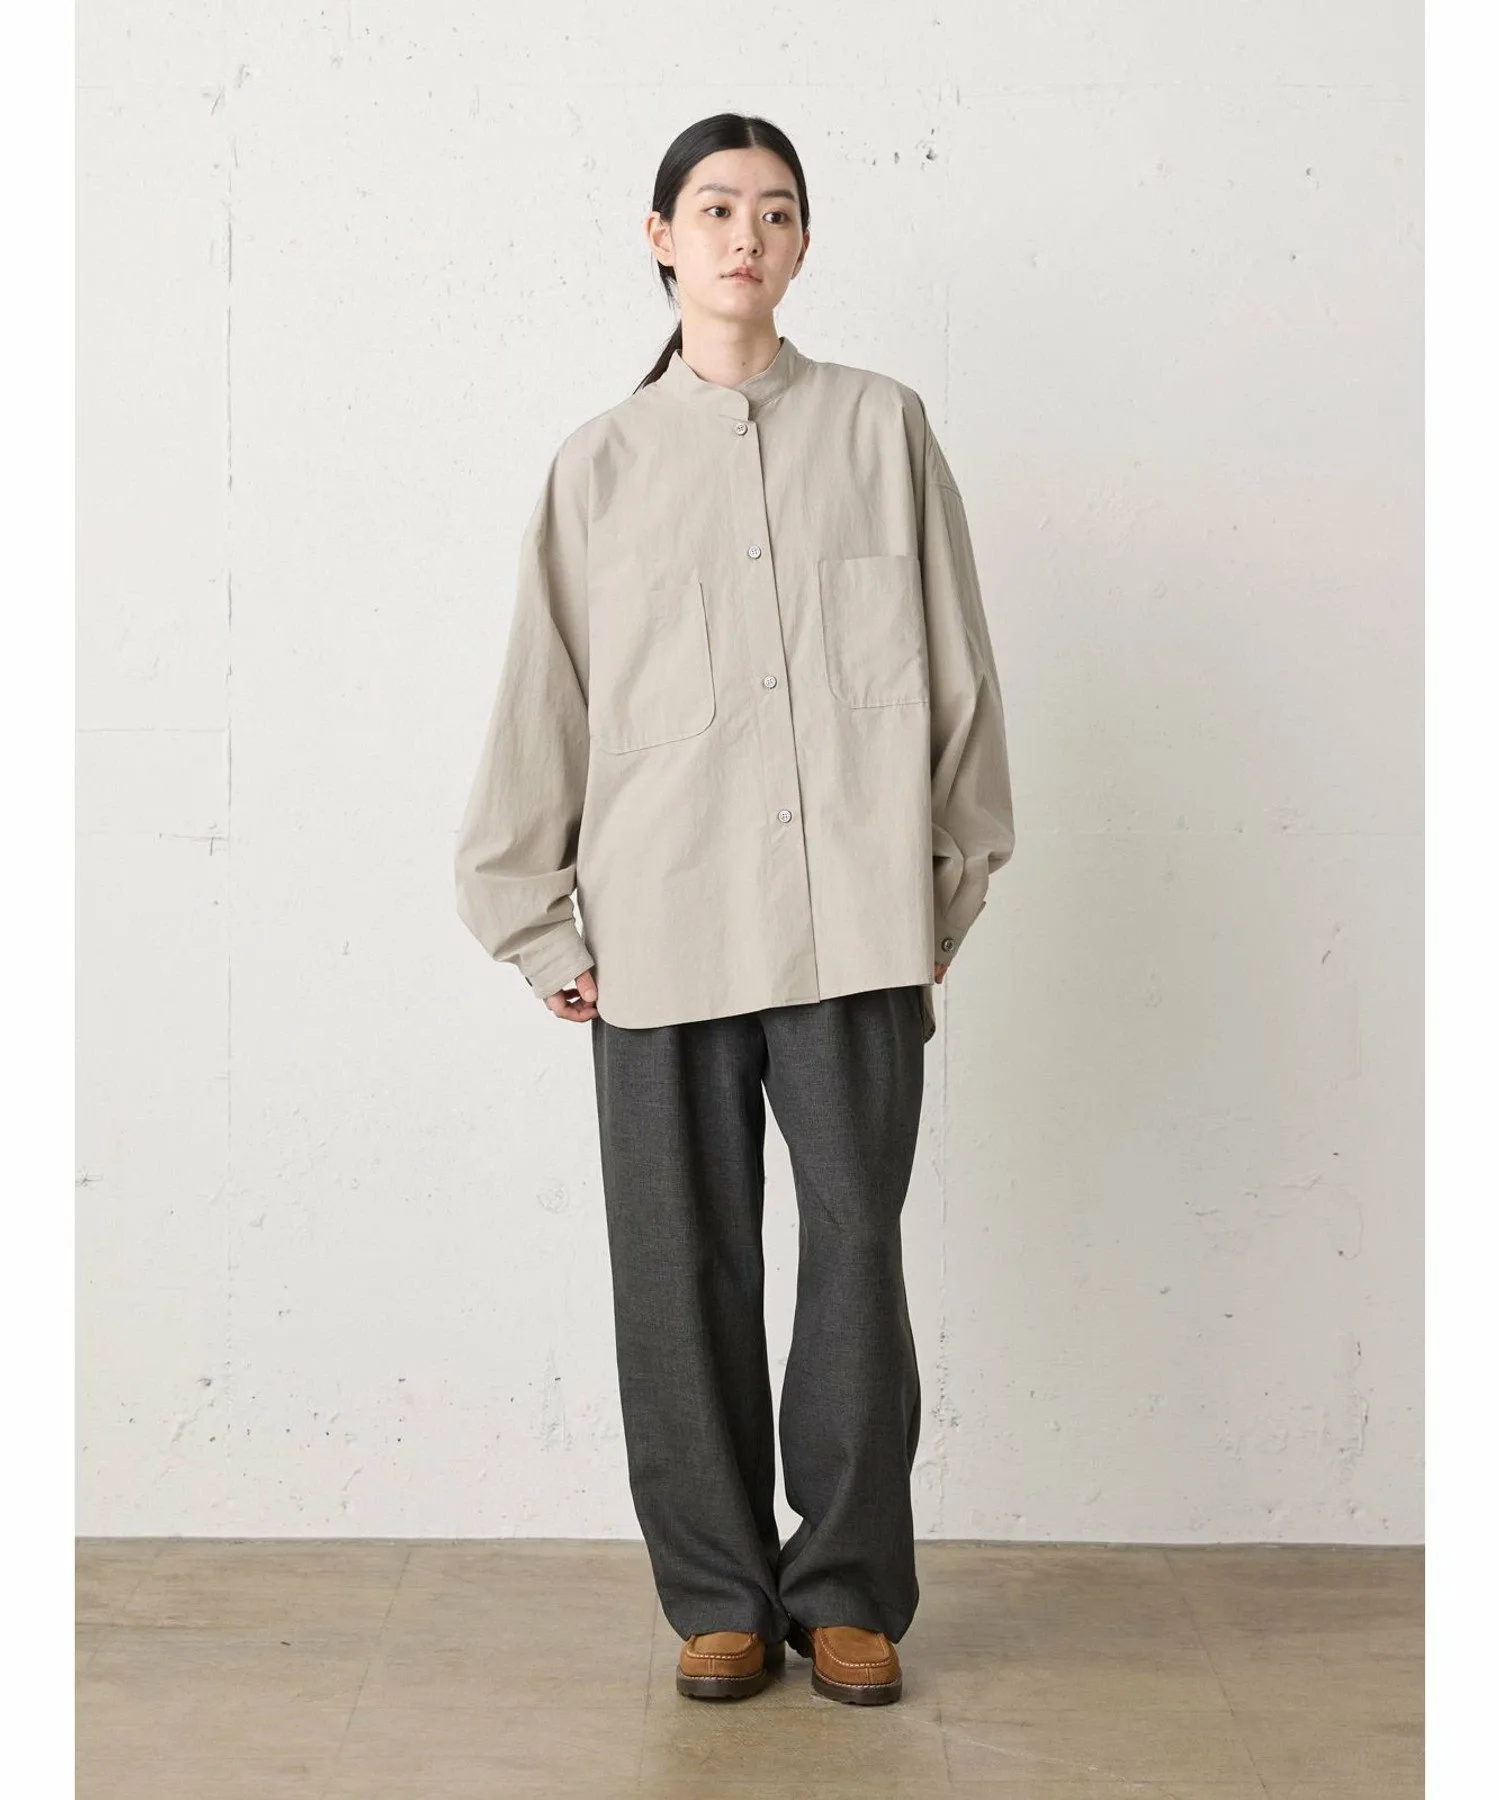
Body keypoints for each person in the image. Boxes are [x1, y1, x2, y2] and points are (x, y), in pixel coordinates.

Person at [453, 113, 1015, 1707]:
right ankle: (716, 1595)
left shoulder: (883, 430)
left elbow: (958, 674)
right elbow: (545, 700)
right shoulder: (599, 467)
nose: (744, 236)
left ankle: (846, 1590)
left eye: (774, 211)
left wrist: (946, 888)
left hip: (856, 930)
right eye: (714, 209)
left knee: (856, 1261)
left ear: (804, 243)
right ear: (660, 237)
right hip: (659, 931)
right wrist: (537, 922)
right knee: (677, 1270)